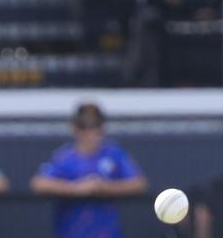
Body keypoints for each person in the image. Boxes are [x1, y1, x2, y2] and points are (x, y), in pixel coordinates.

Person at [31, 102, 147, 238]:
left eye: (95, 127)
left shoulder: (113, 154)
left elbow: (139, 183)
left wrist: (105, 187)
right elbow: (39, 183)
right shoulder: (65, 157)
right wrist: (76, 188)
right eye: (85, 127)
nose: (91, 134)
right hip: (71, 232)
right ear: (75, 129)